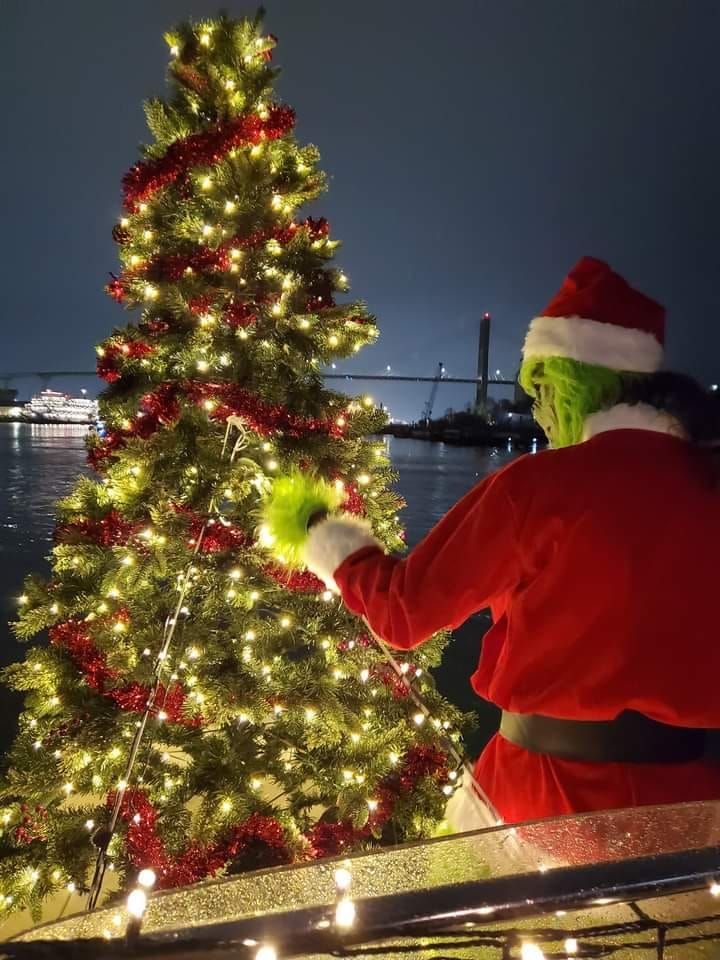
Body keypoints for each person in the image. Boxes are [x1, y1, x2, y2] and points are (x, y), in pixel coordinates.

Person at [281, 257, 720, 826]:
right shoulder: (707, 482)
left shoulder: (537, 488)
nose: (536, 411)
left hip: (545, 801)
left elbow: (403, 612)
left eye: (540, 388)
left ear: (574, 384)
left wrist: (326, 538)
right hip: (693, 808)